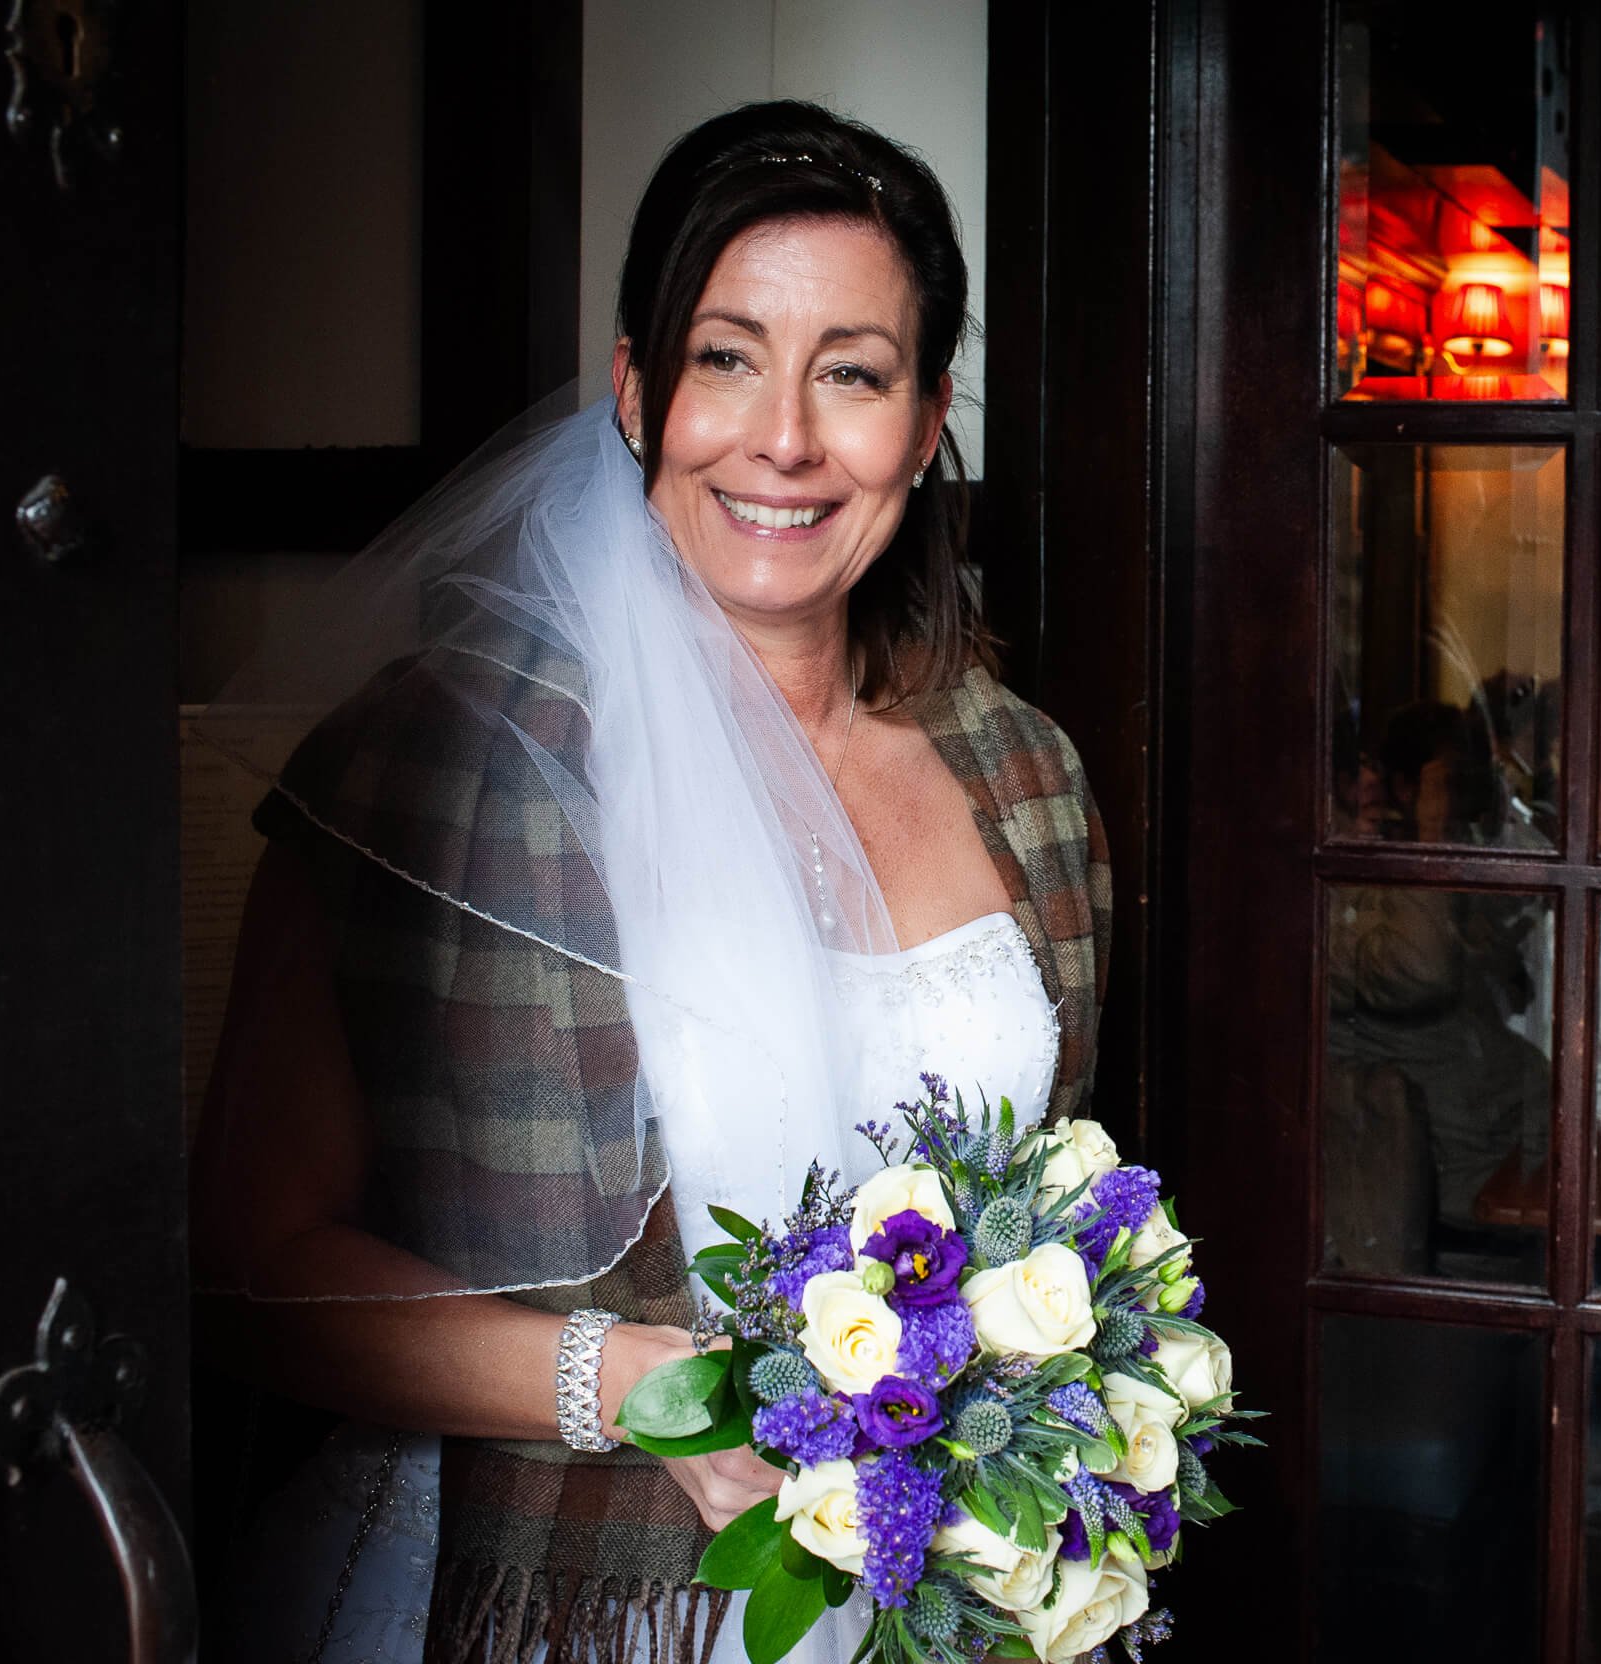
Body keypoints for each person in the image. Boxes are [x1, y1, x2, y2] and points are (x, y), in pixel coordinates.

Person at [190, 102, 1109, 1664]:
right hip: (543, 1599)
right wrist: (628, 1387)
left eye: (856, 374)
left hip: (932, 1597)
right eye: (727, 356)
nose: (786, 440)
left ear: (928, 416)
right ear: (634, 390)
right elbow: (254, 1268)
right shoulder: (434, 764)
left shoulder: (1027, 776)